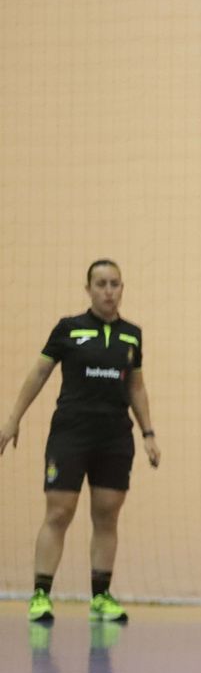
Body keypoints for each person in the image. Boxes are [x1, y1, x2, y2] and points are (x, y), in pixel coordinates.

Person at [1, 260, 160, 624]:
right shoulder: (68, 329)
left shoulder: (132, 335)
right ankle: (40, 595)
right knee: (59, 511)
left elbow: (136, 386)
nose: (108, 290)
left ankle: (101, 598)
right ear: (87, 289)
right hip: (70, 435)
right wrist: (13, 419)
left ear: (123, 288)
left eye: (115, 283)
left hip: (115, 438)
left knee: (107, 514)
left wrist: (148, 433)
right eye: (101, 284)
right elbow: (39, 372)